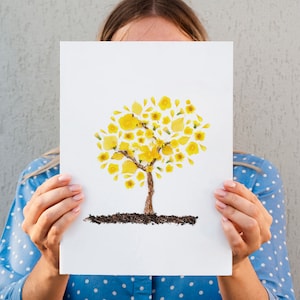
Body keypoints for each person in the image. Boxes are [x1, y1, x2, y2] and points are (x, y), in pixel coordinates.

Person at [0, 0, 295, 299]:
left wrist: (236, 264)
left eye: (176, 64)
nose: (154, 79)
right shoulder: (44, 184)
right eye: (129, 63)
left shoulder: (251, 182)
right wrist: (52, 265)